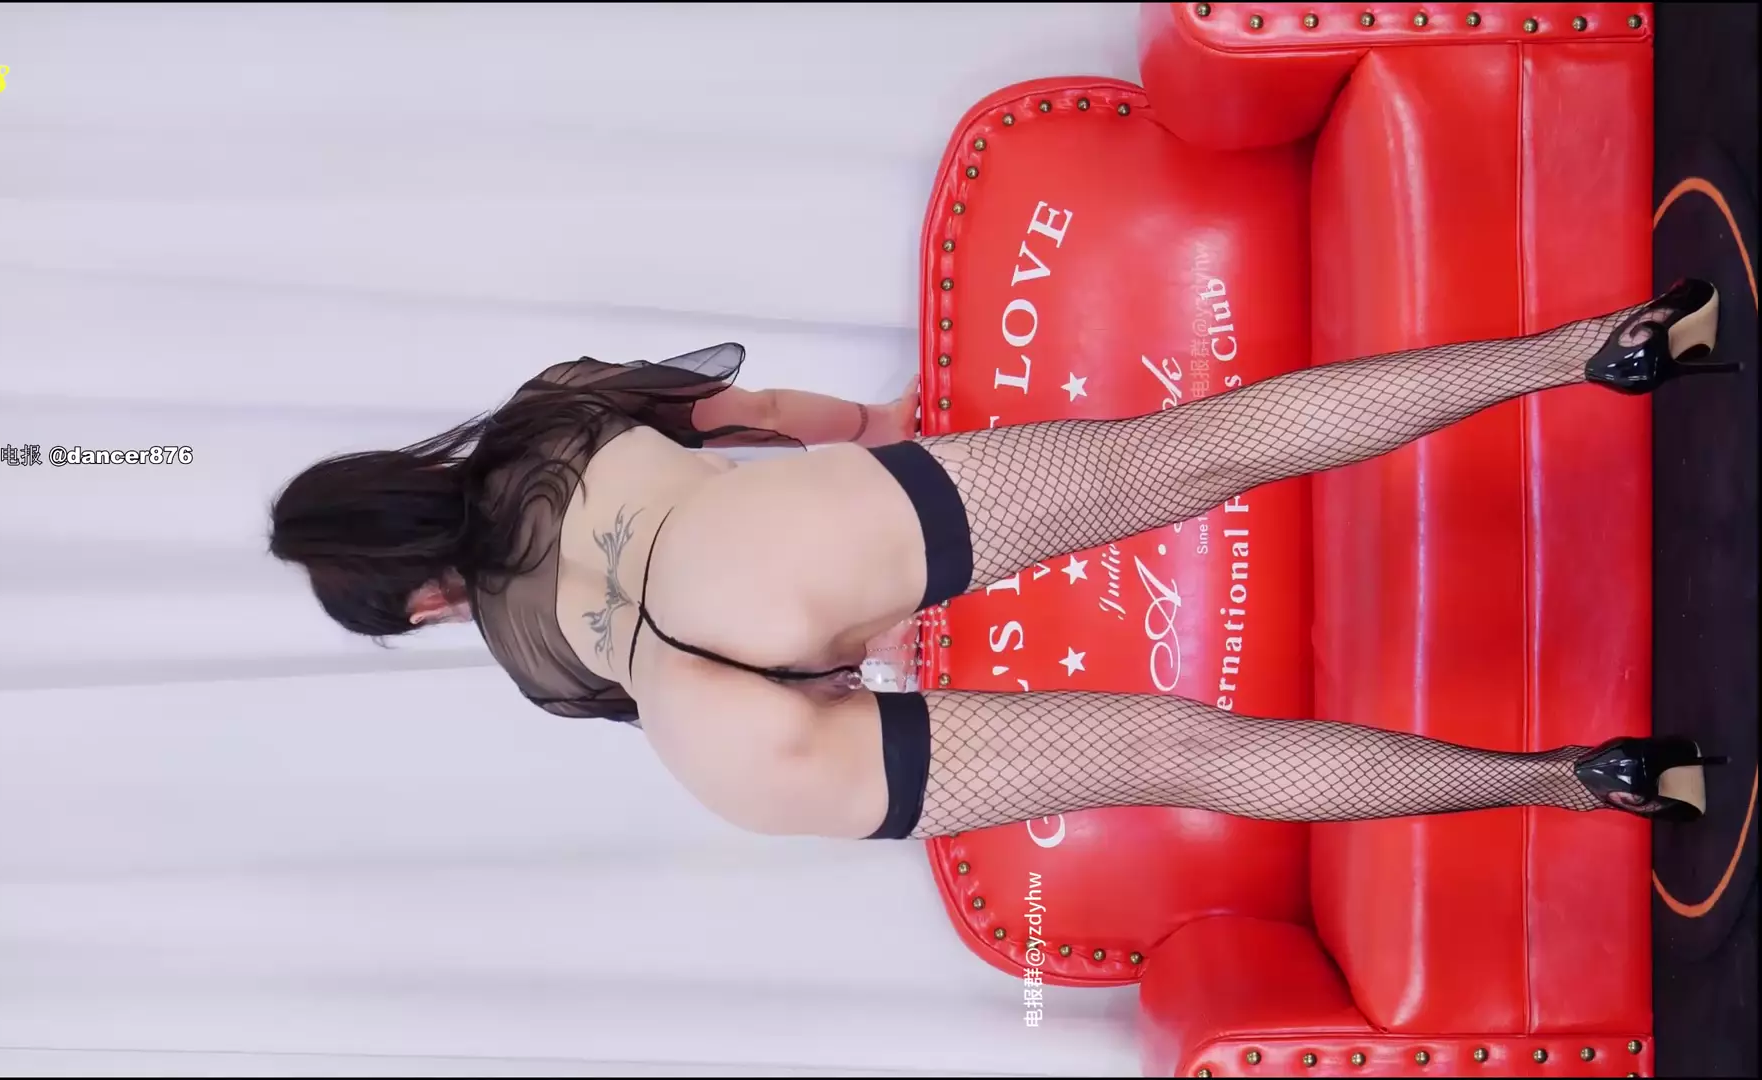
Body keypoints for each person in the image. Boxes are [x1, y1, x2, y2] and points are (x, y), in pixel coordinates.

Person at [270, 280, 1735, 841]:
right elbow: (757, 412)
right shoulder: (547, 417)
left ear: (420, 602)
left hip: (726, 745)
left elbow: (742, 680)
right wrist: (877, 431)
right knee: (1186, 455)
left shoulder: (524, 656)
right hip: (746, 543)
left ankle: (1580, 782)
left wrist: (838, 658)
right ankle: (1590, 350)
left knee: (1175, 754)